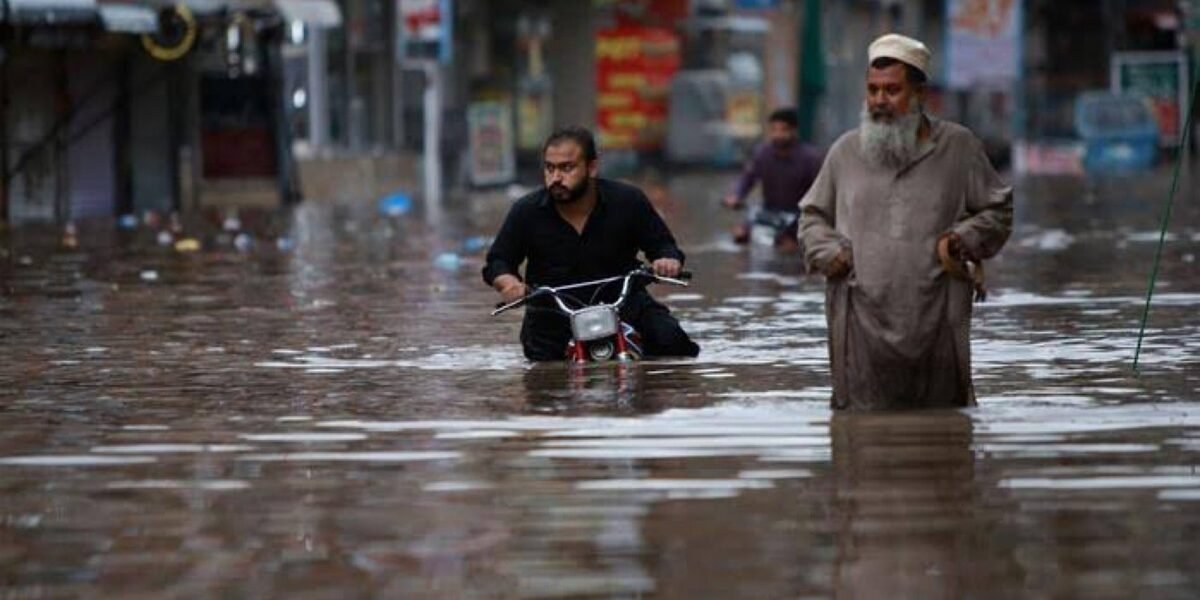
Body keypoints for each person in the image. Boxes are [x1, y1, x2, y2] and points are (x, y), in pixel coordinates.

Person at [798, 33, 1013, 410]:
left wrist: (963, 239)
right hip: (859, 322)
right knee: (860, 438)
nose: (880, 100)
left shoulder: (958, 147)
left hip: (936, 319)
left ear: (919, 95)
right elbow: (812, 218)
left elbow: (997, 210)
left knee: (943, 432)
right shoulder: (845, 152)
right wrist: (829, 252)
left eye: (892, 90)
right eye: (873, 90)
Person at [483, 125, 700, 361]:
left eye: (567, 168)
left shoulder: (627, 200)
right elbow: (498, 261)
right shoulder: (526, 211)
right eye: (550, 168)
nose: (556, 177)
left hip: (625, 305)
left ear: (592, 167)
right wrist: (509, 284)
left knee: (673, 343)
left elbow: (663, 246)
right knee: (544, 369)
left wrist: (666, 261)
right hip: (553, 314)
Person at [722, 107, 823, 250]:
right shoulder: (762, 154)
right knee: (740, 235)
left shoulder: (810, 158)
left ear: (794, 131)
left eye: (783, 130)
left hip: (798, 216)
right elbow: (747, 178)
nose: (778, 135)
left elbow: (821, 193)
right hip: (769, 211)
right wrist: (736, 196)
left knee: (790, 245)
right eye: (774, 130)